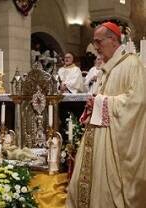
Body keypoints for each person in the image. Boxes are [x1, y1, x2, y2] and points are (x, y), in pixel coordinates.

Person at [66, 22, 146, 208]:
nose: (95, 47)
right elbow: (102, 98)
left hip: (114, 144)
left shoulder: (132, 64)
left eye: (98, 42)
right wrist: (93, 104)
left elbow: (138, 102)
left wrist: (102, 103)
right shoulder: (108, 67)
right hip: (98, 137)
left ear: (113, 40)